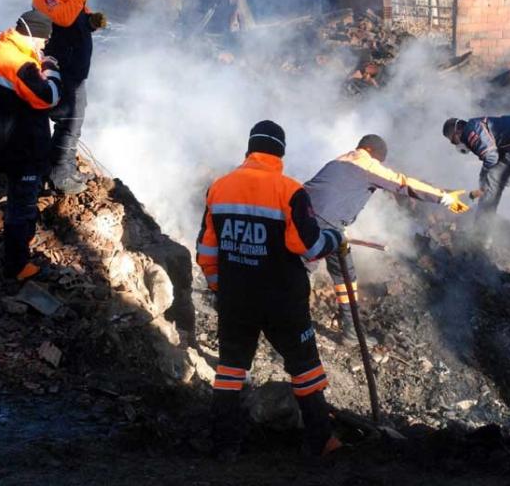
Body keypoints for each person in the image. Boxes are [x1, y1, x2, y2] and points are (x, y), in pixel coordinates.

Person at [196, 120, 345, 461]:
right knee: (304, 368)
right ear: (280, 151)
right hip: (283, 300)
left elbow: (206, 250)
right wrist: (335, 238)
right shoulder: (289, 190)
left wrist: (221, 287)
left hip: (236, 299)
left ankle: (224, 445)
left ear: (249, 149)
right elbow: (308, 247)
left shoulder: (219, 188)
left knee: (231, 369)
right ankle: (320, 441)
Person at [304, 135, 469, 344]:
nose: (379, 165)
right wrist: (444, 197)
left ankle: (350, 331)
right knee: (299, 272)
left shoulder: (338, 161)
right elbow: (402, 183)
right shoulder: (366, 163)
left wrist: (339, 225)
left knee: (346, 273)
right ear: (372, 151)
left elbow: (327, 195)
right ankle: (282, 328)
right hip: (320, 223)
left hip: (312, 218)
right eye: (380, 160)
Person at [0, 10, 61, 280]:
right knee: (22, 204)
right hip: (21, 147)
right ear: (33, 35)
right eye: (43, 41)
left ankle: (20, 244)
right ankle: (17, 265)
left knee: (17, 198)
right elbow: (50, 97)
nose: (44, 46)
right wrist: (51, 69)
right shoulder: (22, 65)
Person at [32, 0, 107, 194]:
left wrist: (91, 21)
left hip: (75, 67)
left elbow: (76, 15)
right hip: (60, 66)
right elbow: (63, 18)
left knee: (75, 119)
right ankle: (59, 172)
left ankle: (63, 166)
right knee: (69, 119)